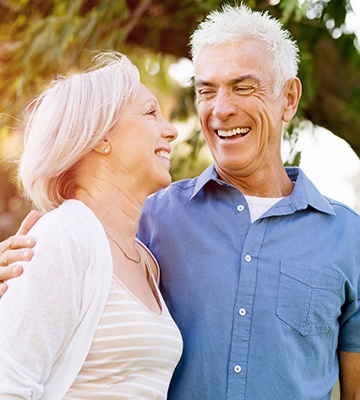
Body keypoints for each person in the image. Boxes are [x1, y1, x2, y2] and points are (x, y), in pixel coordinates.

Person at [1, 4, 360, 399]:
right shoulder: (148, 219)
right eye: (206, 90)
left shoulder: (348, 237)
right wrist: (17, 274)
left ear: (289, 98)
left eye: (243, 87)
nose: (220, 109)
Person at [0, 51, 182, 399]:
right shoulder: (63, 237)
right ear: (100, 137)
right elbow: (8, 384)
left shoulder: (145, 260)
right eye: (150, 113)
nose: (171, 130)